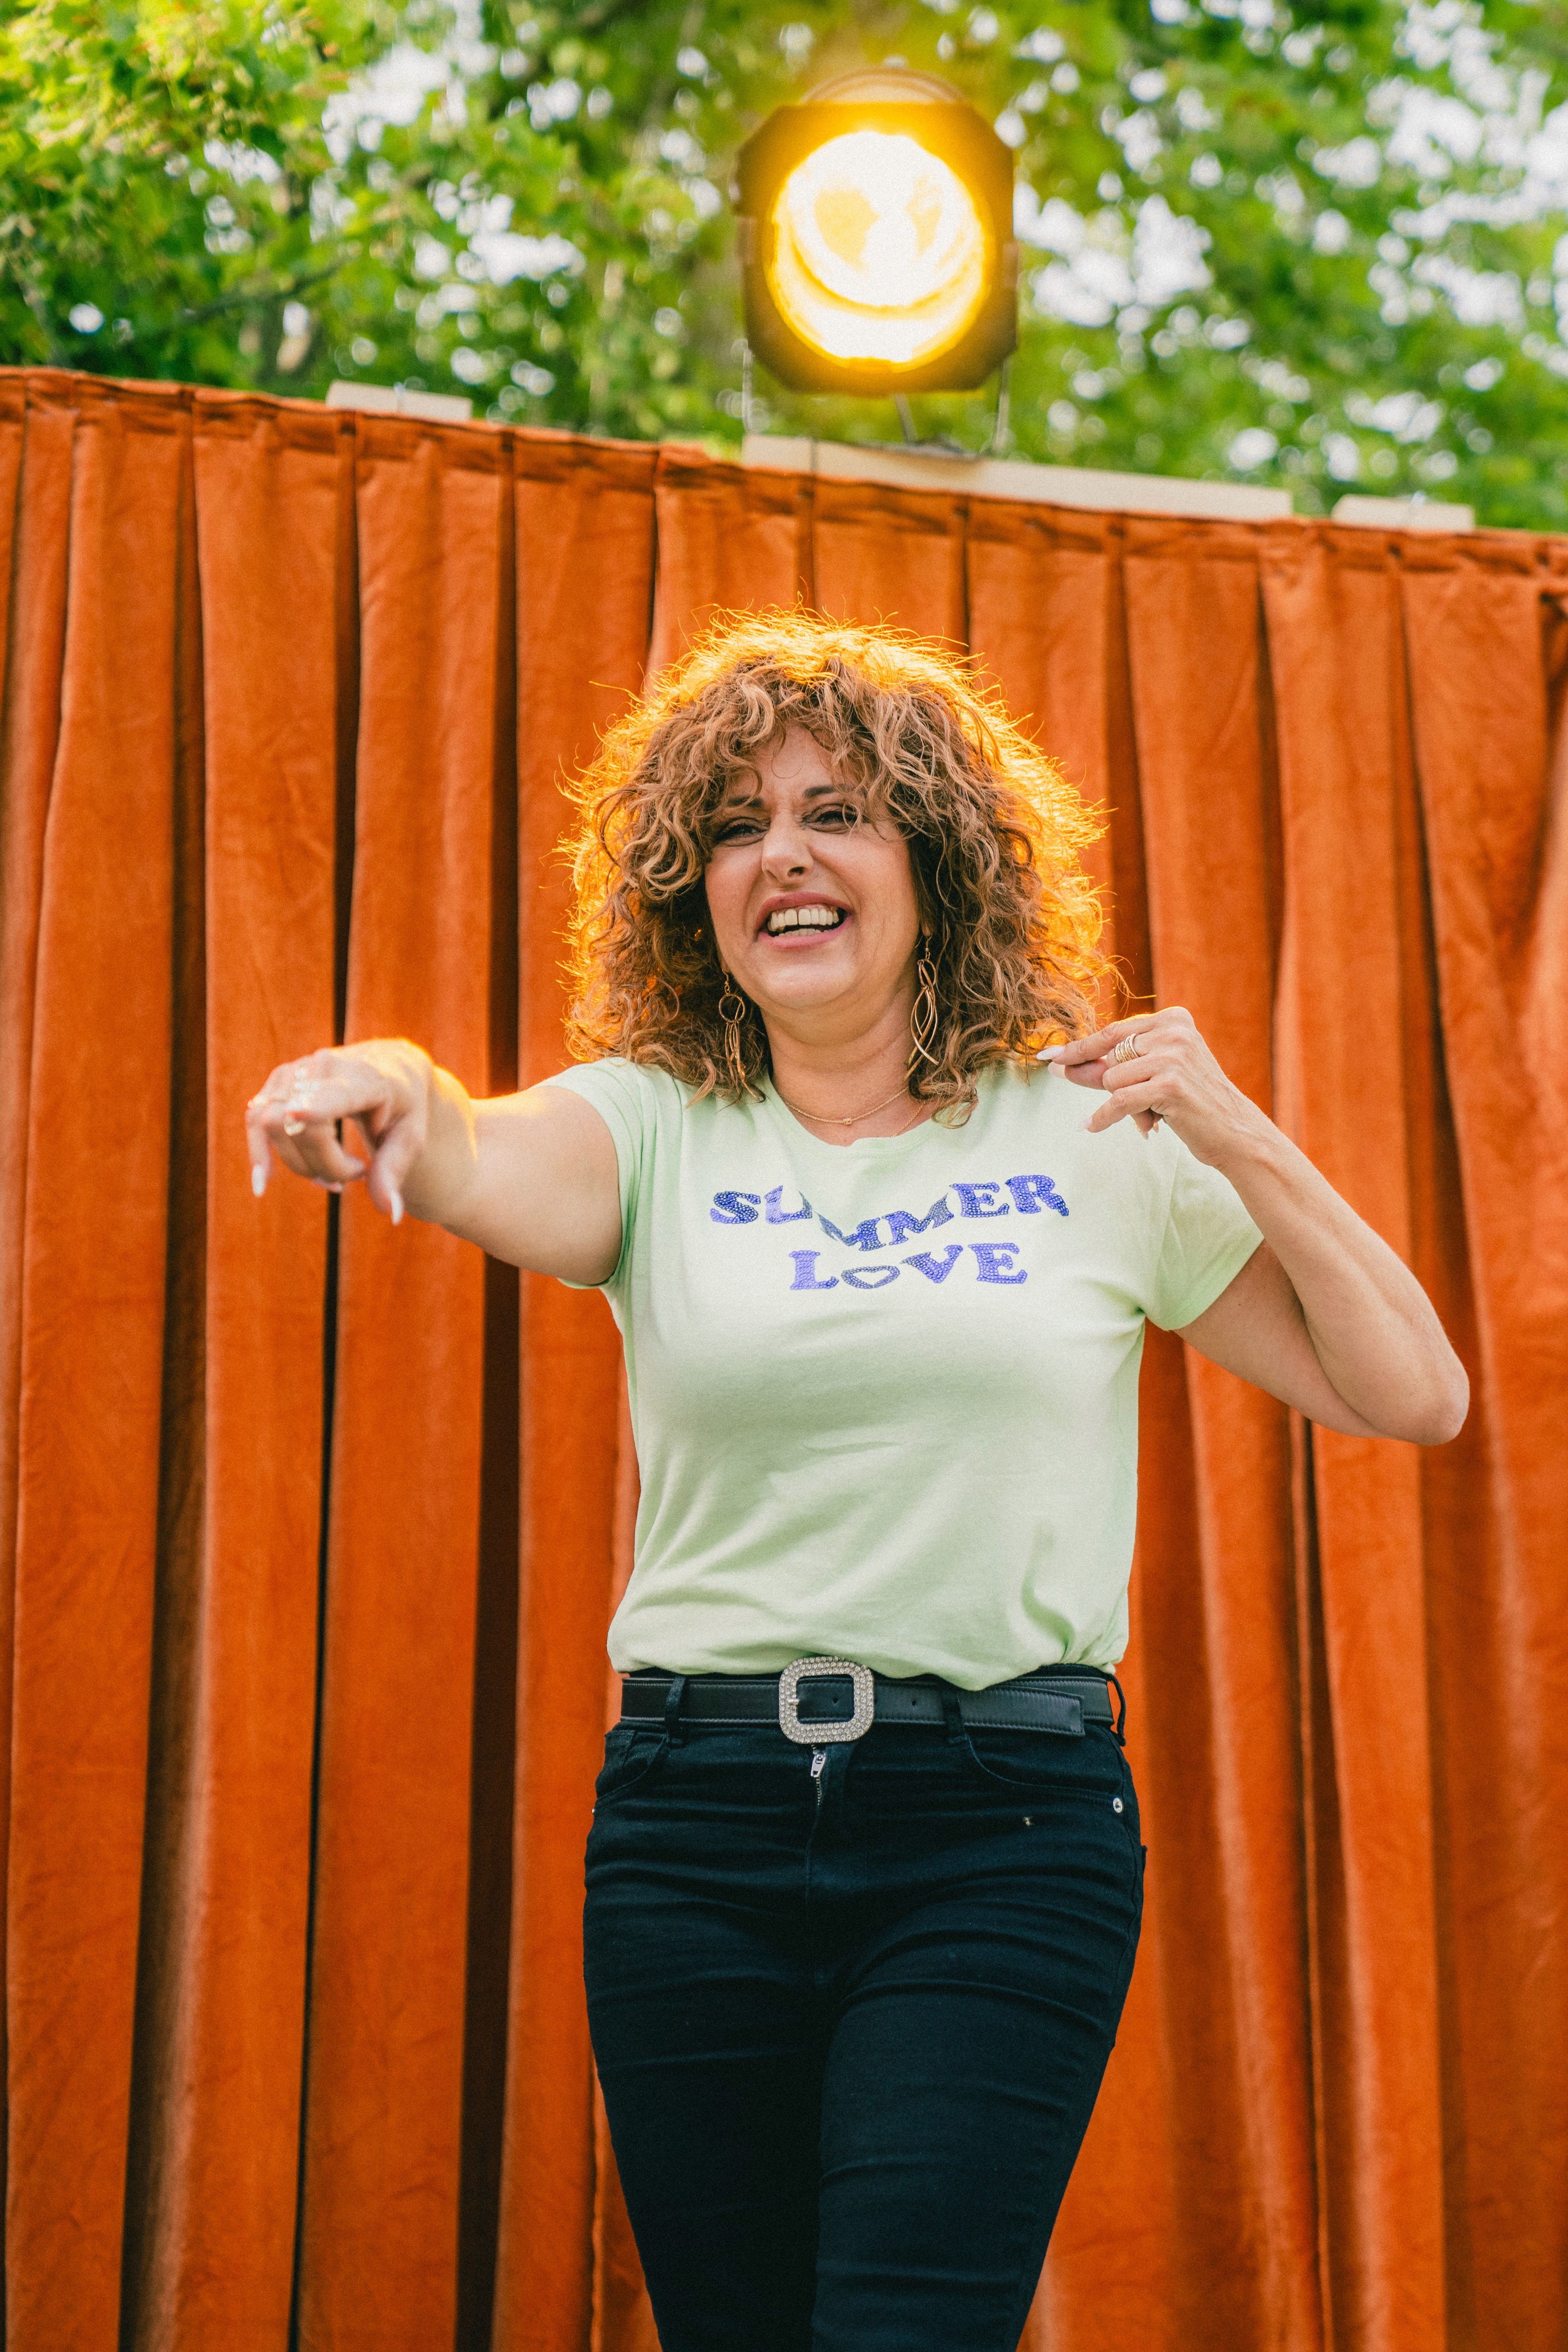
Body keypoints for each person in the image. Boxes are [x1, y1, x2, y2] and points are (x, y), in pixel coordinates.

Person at [246, 613, 1467, 2352]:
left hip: (1001, 1827)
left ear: (938, 863)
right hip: (695, 1826)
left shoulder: (1089, 1138)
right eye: (737, 828)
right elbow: (470, 1140)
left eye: (838, 813)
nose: (785, 857)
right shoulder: (654, 1124)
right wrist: (378, 1085)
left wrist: (1232, 1126)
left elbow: (1414, 1393)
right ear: (690, 892)